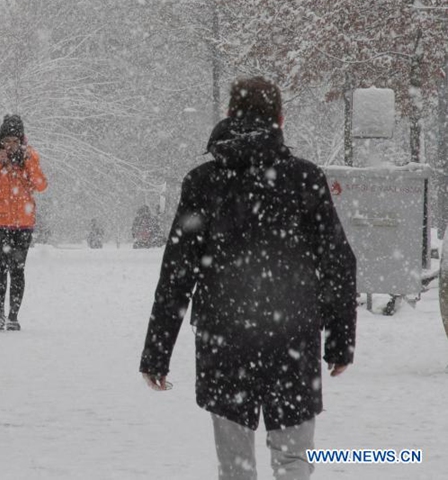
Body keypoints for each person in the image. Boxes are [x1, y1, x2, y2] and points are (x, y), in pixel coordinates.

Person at [139, 77, 356, 480]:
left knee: (235, 467)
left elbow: (177, 273)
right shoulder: (305, 179)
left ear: (229, 115)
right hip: (292, 333)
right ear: (279, 118)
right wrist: (340, 341)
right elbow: (338, 263)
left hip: (226, 338)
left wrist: (157, 351)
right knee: (294, 461)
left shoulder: (202, 182)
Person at [0, 114, 47, 331]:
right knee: (0, 267)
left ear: (22, 141)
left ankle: (13, 316)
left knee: (17, 269)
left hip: (23, 224)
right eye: (7, 141)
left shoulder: (30, 157)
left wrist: (28, 163)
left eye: (16, 141)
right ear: (0, 139)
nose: (11, 146)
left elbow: (41, 185)